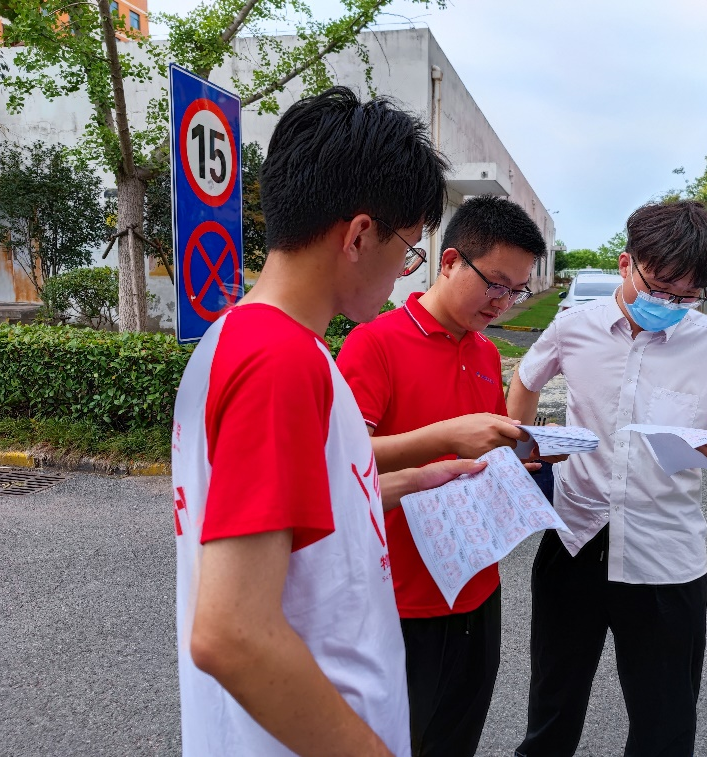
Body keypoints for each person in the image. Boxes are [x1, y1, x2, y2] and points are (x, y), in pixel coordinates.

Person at [171, 87, 488, 757]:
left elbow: (298, 523)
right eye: (409, 250)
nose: (405, 274)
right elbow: (232, 633)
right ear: (359, 235)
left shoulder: (244, 339)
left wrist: (412, 481)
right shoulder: (279, 362)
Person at [506, 200, 707, 757]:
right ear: (626, 263)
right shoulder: (574, 327)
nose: (670, 305)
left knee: (665, 719)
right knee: (553, 703)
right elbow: (525, 377)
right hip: (574, 540)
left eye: (687, 296)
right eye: (659, 288)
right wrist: (524, 446)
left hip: (665, 557)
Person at [336, 195, 548, 757]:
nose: (503, 302)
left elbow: (483, 451)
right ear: (450, 261)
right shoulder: (374, 342)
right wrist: (446, 438)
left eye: (516, 290)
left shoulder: (484, 352)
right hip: (399, 599)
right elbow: (340, 461)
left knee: (457, 740)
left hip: (477, 586)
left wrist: (522, 453)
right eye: (496, 283)